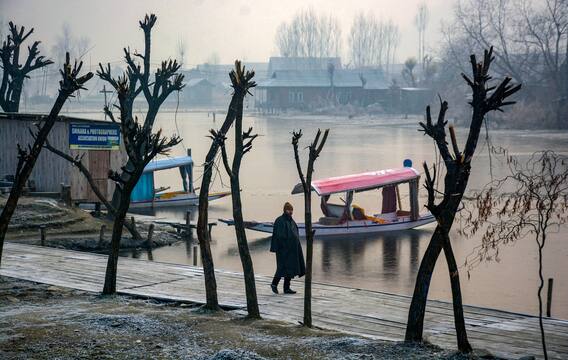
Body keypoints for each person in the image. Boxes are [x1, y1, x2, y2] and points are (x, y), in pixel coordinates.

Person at [270, 202, 305, 294]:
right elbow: (279, 236)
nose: (291, 212)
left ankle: (286, 288)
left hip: (292, 250)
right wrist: (285, 246)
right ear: (285, 210)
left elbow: (295, 234)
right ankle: (274, 284)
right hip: (283, 250)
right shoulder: (280, 221)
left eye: (291, 210)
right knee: (282, 267)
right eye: (289, 210)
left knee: (290, 268)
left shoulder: (291, 221)